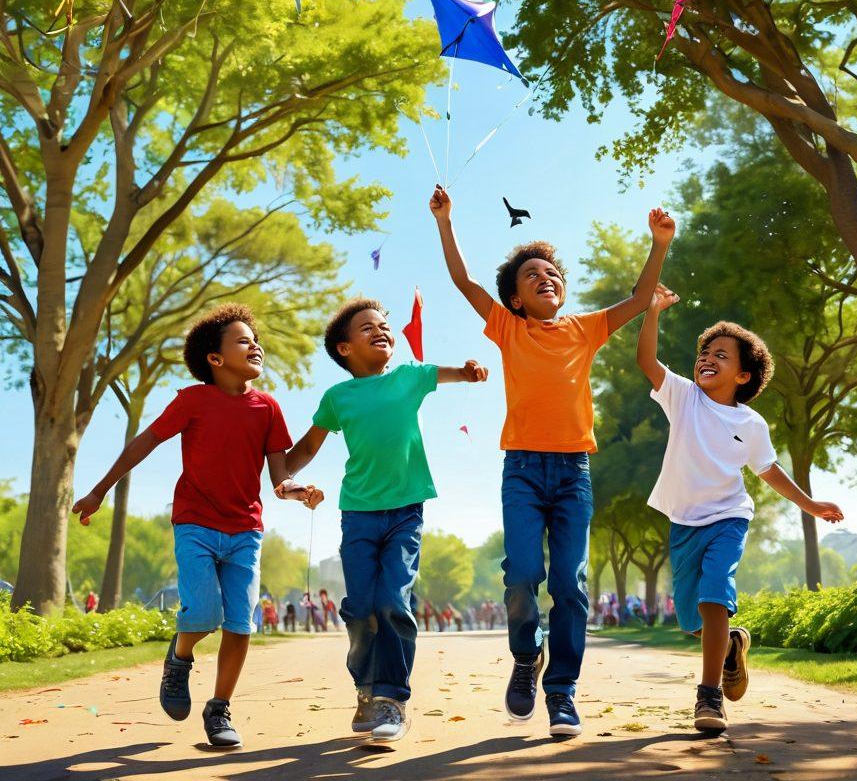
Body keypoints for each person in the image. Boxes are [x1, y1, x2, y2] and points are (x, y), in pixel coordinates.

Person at [430, 185, 674, 738]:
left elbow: (641, 298)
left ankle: (561, 692)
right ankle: (526, 657)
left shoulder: (585, 329)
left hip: (572, 474)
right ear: (515, 300)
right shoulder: (508, 328)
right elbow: (464, 282)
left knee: (570, 583)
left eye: (551, 272)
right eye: (531, 275)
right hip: (521, 470)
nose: (545, 277)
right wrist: (446, 221)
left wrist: (659, 243)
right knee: (521, 575)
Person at [72, 303, 323, 748]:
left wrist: (296, 490)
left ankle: (219, 708)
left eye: (256, 340)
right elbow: (145, 442)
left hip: (246, 530)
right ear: (215, 358)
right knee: (204, 614)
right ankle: (180, 657)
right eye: (244, 341)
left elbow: (279, 477)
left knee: (241, 623)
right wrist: (99, 490)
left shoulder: (267, 407)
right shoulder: (192, 401)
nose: (256, 346)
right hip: (195, 523)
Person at [637, 284, 844, 733]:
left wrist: (809, 504)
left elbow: (769, 471)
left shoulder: (751, 423)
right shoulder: (683, 397)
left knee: (715, 594)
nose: (707, 358)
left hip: (728, 518)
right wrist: (652, 312)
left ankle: (709, 697)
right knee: (691, 619)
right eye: (704, 352)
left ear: (744, 376)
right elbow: (647, 362)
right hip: (684, 522)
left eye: (721, 355)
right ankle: (731, 644)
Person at [284, 297, 488, 745]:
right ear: (344, 348)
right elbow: (307, 447)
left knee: (393, 601)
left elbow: (449, 373)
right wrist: (284, 478)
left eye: (384, 326)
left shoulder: (409, 376)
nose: (381, 330)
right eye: (367, 327)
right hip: (357, 513)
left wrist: (469, 371)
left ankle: (392, 698)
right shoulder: (338, 397)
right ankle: (366, 686)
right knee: (360, 608)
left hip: (406, 512)